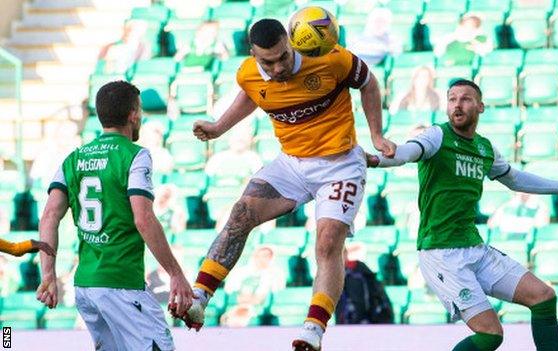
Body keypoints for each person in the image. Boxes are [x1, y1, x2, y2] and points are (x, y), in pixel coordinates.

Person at [178, 19, 395, 351]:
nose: (278, 67)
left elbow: (369, 83)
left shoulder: (331, 58)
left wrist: (376, 135)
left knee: (327, 241)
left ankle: (314, 328)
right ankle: (200, 297)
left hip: (340, 165)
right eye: (269, 61)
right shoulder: (248, 72)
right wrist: (219, 128)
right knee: (241, 213)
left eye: (283, 56)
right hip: (292, 164)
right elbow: (251, 95)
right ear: (254, 55)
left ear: (291, 43)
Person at [367, 79, 558, 351]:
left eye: (465, 99)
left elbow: (515, 179)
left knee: (543, 297)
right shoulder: (437, 136)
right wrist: (376, 159)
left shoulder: (484, 148)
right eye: (452, 98)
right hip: (441, 254)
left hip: (474, 248)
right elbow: (408, 152)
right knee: (491, 334)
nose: (457, 104)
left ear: (480, 107)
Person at [36, 81, 194, 350]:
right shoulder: (135, 155)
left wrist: (48, 275)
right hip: (122, 283)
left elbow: (50, 214)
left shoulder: (73, 159)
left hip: (86, 286)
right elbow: (143, 219)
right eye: (140, 111)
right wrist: (175, 273)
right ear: (133, 114)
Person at [220, 245, 286, 327]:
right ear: (255, 256)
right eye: (261, 256)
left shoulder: (277, 273)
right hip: (239, 304)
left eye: (267, 256)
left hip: (259, 306)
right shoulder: (240, 272)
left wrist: (256, 300)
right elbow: (230, 291)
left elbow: (277, 292)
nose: (263, 259)